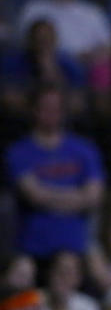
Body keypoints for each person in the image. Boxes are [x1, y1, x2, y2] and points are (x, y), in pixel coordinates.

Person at [4, 84, 105, 260]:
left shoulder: (85, 150)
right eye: (45, 108)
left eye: (56, 108)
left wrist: (50, 197)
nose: (51, 114)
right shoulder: (18, 152)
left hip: (75, 251)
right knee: (27, 289)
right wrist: (78, 197)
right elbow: (35, 195)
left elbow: (94, 196)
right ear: (34, 110)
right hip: (32, 251)